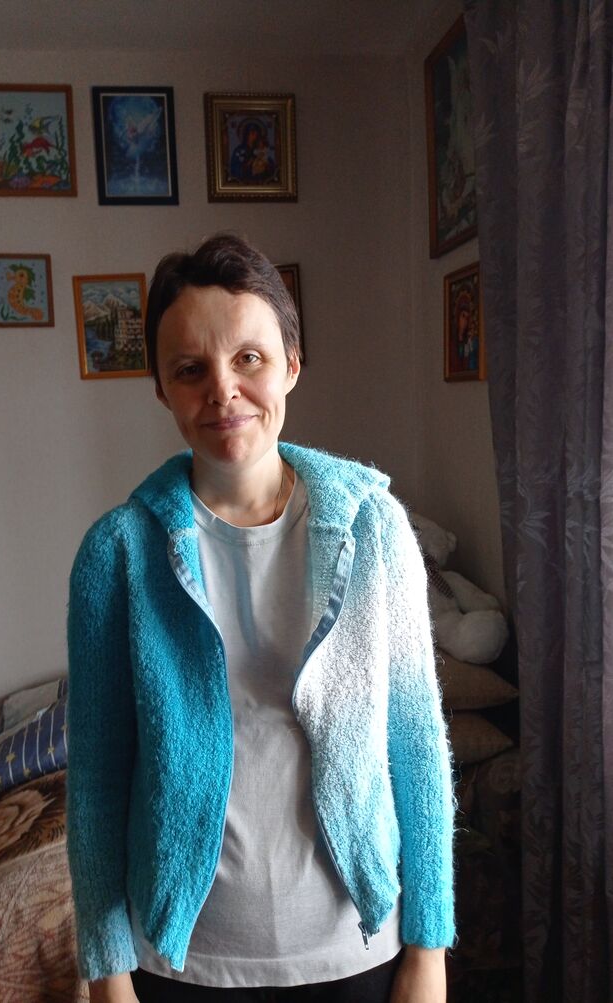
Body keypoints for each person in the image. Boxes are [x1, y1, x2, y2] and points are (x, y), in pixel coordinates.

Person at [66, 233, 455, 1003]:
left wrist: (429, 946)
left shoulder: (374, 528)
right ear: (161, 388)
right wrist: (105, 972)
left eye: (248, 357)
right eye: (190, 369)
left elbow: (416, 745)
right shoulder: (117, 554)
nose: (223, 390)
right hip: (183, 963)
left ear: (292, 365)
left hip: (356, 950)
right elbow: (98, 780)